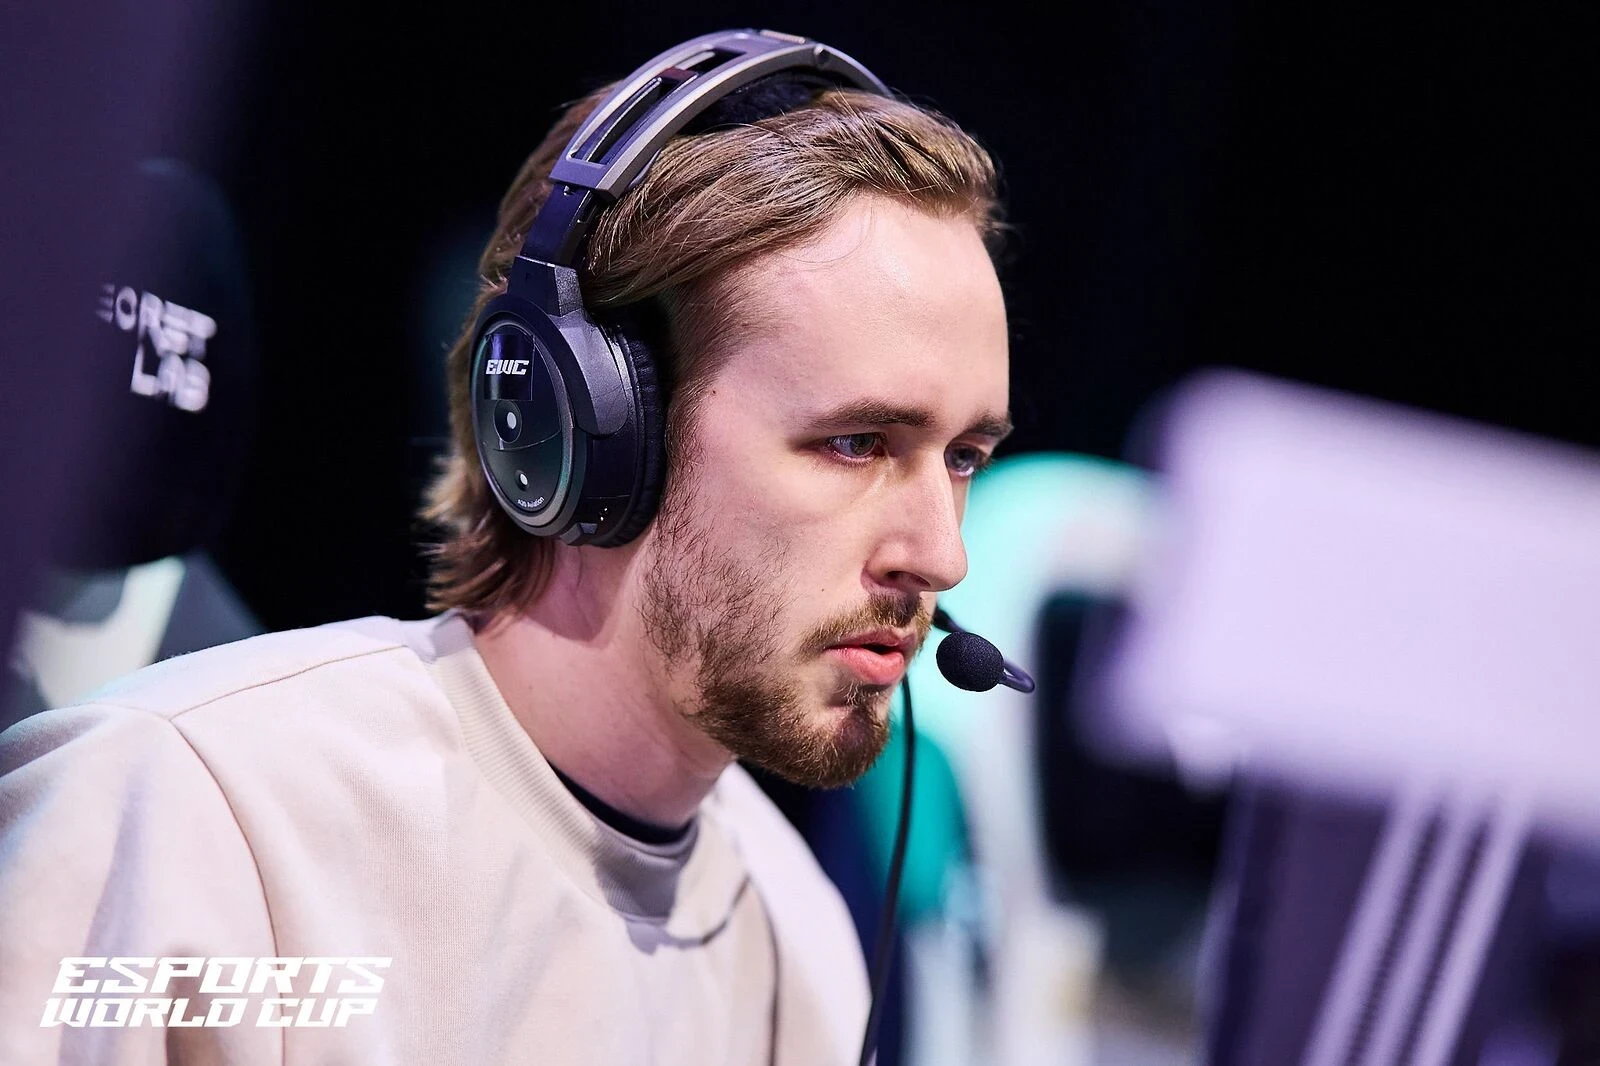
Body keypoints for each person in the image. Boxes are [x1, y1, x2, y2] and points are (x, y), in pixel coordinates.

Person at [0, 30, 1012, 1065]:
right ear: (596, 425)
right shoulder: (189, 814)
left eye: (965, 457)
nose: (942, 556)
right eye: (855, 443)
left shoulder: (803, 938)